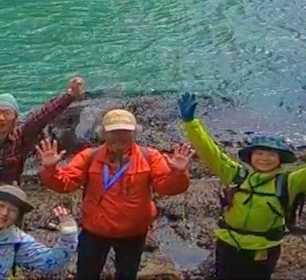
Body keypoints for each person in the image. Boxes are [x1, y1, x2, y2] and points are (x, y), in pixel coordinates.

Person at [177, 93, 306, 279]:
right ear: (250, 156)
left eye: (271, 154)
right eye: (260, 153)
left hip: (263, 249)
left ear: (280, 159)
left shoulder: (289, 182)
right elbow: (209, 151)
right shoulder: (235, 174)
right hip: (228, 244)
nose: (265, 158)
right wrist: (191, 123)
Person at [36, 108, 192, 280]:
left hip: (134, 233)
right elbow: (65, 184)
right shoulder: (90, 156)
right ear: (103, 133)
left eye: (125, 132)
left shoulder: (150, 156)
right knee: (86, 275)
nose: (120, 136)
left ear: (134, 133)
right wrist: (50, 169)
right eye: (114, 132)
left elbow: (167, 188)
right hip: (95, 231)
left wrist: (178, 173)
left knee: (127, 275)